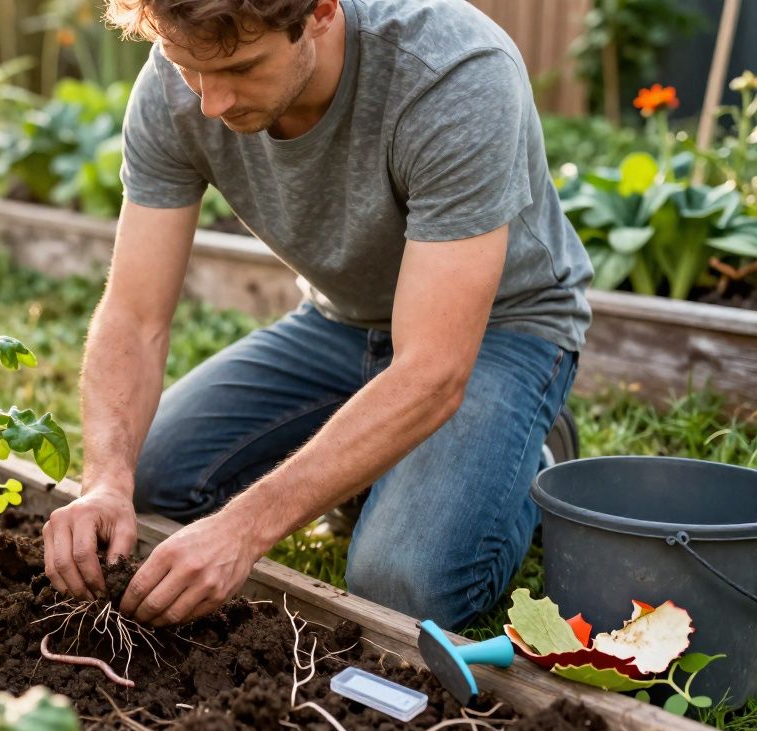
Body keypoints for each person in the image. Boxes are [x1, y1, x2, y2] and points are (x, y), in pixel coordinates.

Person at [41, 0, 593, 630]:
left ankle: (535, 458)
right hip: (339, 322)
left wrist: (247, 528)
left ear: (322, 12)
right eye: (189, 68)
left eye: (244, 68)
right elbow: (135, 314)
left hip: (499, 328)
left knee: (401, 583)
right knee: (151, 480)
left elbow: (434, 368)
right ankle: (369, 460)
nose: (212, 104)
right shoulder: (176, 85)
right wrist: (106, 481)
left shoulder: (453, 71)